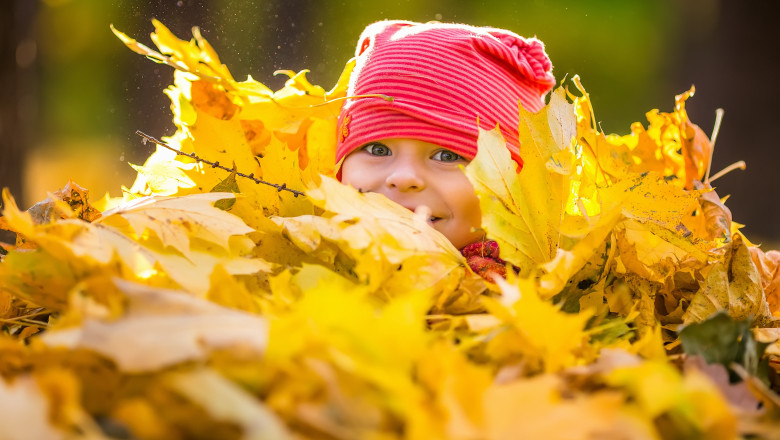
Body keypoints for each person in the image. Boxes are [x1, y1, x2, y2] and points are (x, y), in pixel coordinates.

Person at [335, 20, 555, 279]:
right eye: (377, 149)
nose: (403, 178)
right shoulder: (297, 251)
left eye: (446, 156)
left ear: (516, 187)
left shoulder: (513, 290)